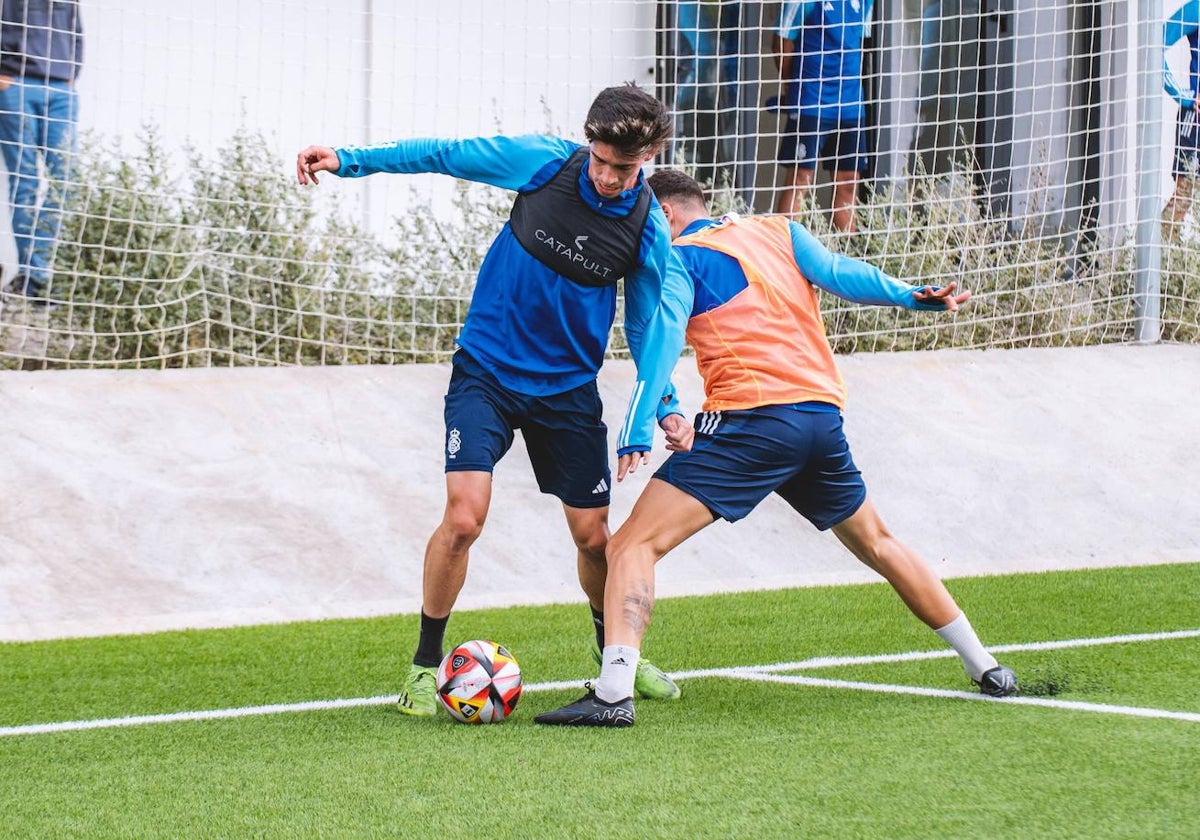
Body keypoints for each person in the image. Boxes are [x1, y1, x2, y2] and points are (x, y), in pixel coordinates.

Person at [536, 169, 1018, 727]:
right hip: (819, 420)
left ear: (665, 214)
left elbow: (663, 339)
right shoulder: (779, 230)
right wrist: (911, 297)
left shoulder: (681, 255)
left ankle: (613, 693)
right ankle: (985, 665)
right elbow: (841, 273)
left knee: (629, 547)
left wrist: (638, 427)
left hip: (751, 422)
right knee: (879, 544)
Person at [296, 84, 693, 717]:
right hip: (487, 371)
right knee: (464, 518)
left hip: (567, 392)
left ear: (648, 157)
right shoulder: (543, 162)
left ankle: (617, 657)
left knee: (595, 539)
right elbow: (447, 154)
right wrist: (350, 159)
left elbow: (648, 328)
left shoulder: (648, 230)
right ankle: (424, 669)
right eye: (601, 160)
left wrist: (663, 404)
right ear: (589, 141)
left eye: (624, 167)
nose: (609, 177)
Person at [0, 0, 83, 303]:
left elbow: (76, 31)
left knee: (67, 181)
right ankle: (33, 279)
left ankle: (40, 272)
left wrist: (71, 76)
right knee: (26, 181)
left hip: (60, 88)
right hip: (15, 83)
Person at [770, 0, 873, 232]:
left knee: (848, 182)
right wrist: (792, 86)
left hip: (850, 104)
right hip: (812, 101)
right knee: (800, 180)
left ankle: (847, 255)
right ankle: (781, 256)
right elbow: (781, 41)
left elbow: (860, 40)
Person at [1163, 1, 1200, 235]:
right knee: (1184, 196)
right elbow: (1155, 46)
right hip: (1194, 122)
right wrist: (1185, 97)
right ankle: (1150, 260)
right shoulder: (1196, 9)